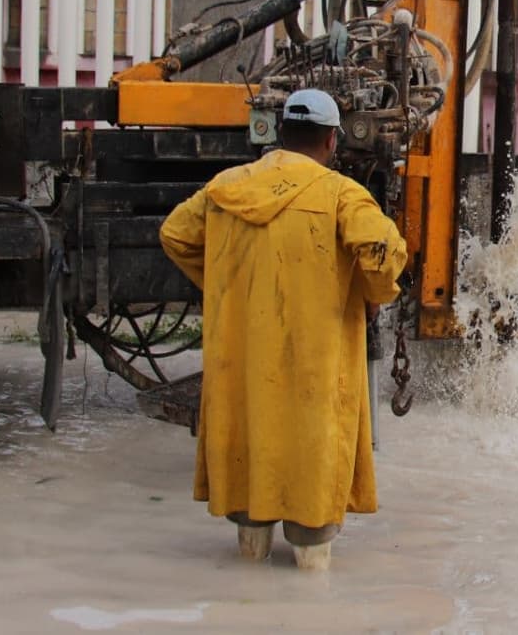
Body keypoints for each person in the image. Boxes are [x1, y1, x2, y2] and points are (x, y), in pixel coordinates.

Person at [160, 88, 407, 571]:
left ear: (278, 132)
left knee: (249, 500)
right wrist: (372, 295)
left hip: (244, 359)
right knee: (312, 511)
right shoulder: (340, 194)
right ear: (332, 140)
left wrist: (227, 286)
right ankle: (308, 587)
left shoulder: (226, 187)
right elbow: (381, 251)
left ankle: (250, 573)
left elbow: (174, 234)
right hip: (316, 362)